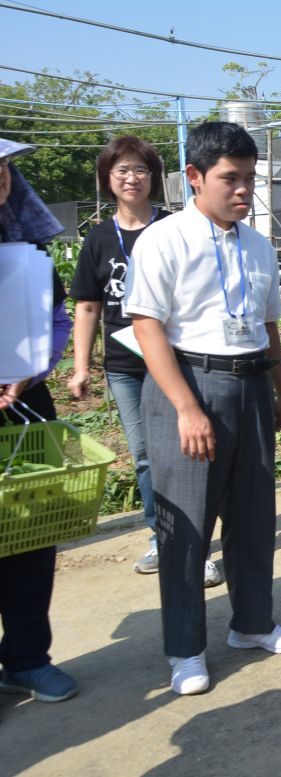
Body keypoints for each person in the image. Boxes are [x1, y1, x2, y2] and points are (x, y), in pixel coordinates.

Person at [124, 122, 281, 696]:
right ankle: (185, 648)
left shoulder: (256, 244)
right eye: (231, 179)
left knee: (253, 516)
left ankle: (252, 624)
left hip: (250, 385)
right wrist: (185, 407)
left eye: (251, 179)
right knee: (188, 525)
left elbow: (269, 324)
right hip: (190, 384)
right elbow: (147, 325)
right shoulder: (164, 239)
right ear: (195, 178)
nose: (244, 191)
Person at [67, 136, 222, 588]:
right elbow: (88, 307)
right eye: (121, 171)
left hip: (180, 361)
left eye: (140, 170)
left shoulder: (177, 227)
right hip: (125, 366)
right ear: (107, 180)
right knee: (144, 456)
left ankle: (200, 546)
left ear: (154, 178)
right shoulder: (97, 239)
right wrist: (80, 367)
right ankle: (162, 537)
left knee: (190, 452)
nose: (131, 178)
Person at [0, 138, 79, 704]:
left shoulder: (28, 252)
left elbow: (56, 319)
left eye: (3, 171)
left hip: (24, 406)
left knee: (30, 532)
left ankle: (27, 657)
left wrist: (30, 371)